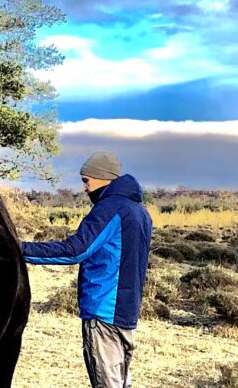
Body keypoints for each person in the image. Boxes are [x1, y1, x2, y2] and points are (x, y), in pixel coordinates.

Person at [21, 151, 154, 388]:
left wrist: (17, 249)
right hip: (126, 311)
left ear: (104, 177)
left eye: (86, 181)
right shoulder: (140, 211)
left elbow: (75, 250)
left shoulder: (110, 208)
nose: (84, 188)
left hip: (103, 311)